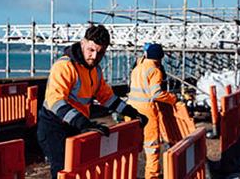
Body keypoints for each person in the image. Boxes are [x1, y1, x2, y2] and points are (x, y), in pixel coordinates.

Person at [37, 24, 148, 179]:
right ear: (83, 43)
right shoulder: (64, 66)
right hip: (54, 127)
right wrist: (84, 124)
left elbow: (107, 97)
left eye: (100, 52)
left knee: (78, 169)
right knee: (63, 170)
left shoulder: (95, 71)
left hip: (74, 126)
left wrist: (131, 112)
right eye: (91, 50)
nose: (95, 56)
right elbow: (56, 102)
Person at [127, 43, 177, 179]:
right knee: (152, 147)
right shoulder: (155, 70)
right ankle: (152, 176)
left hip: (130, 109)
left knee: (130, 145)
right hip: (146, 111)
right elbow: (156, 94)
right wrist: (172, 98)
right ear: (160, 57)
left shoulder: (138, 68)